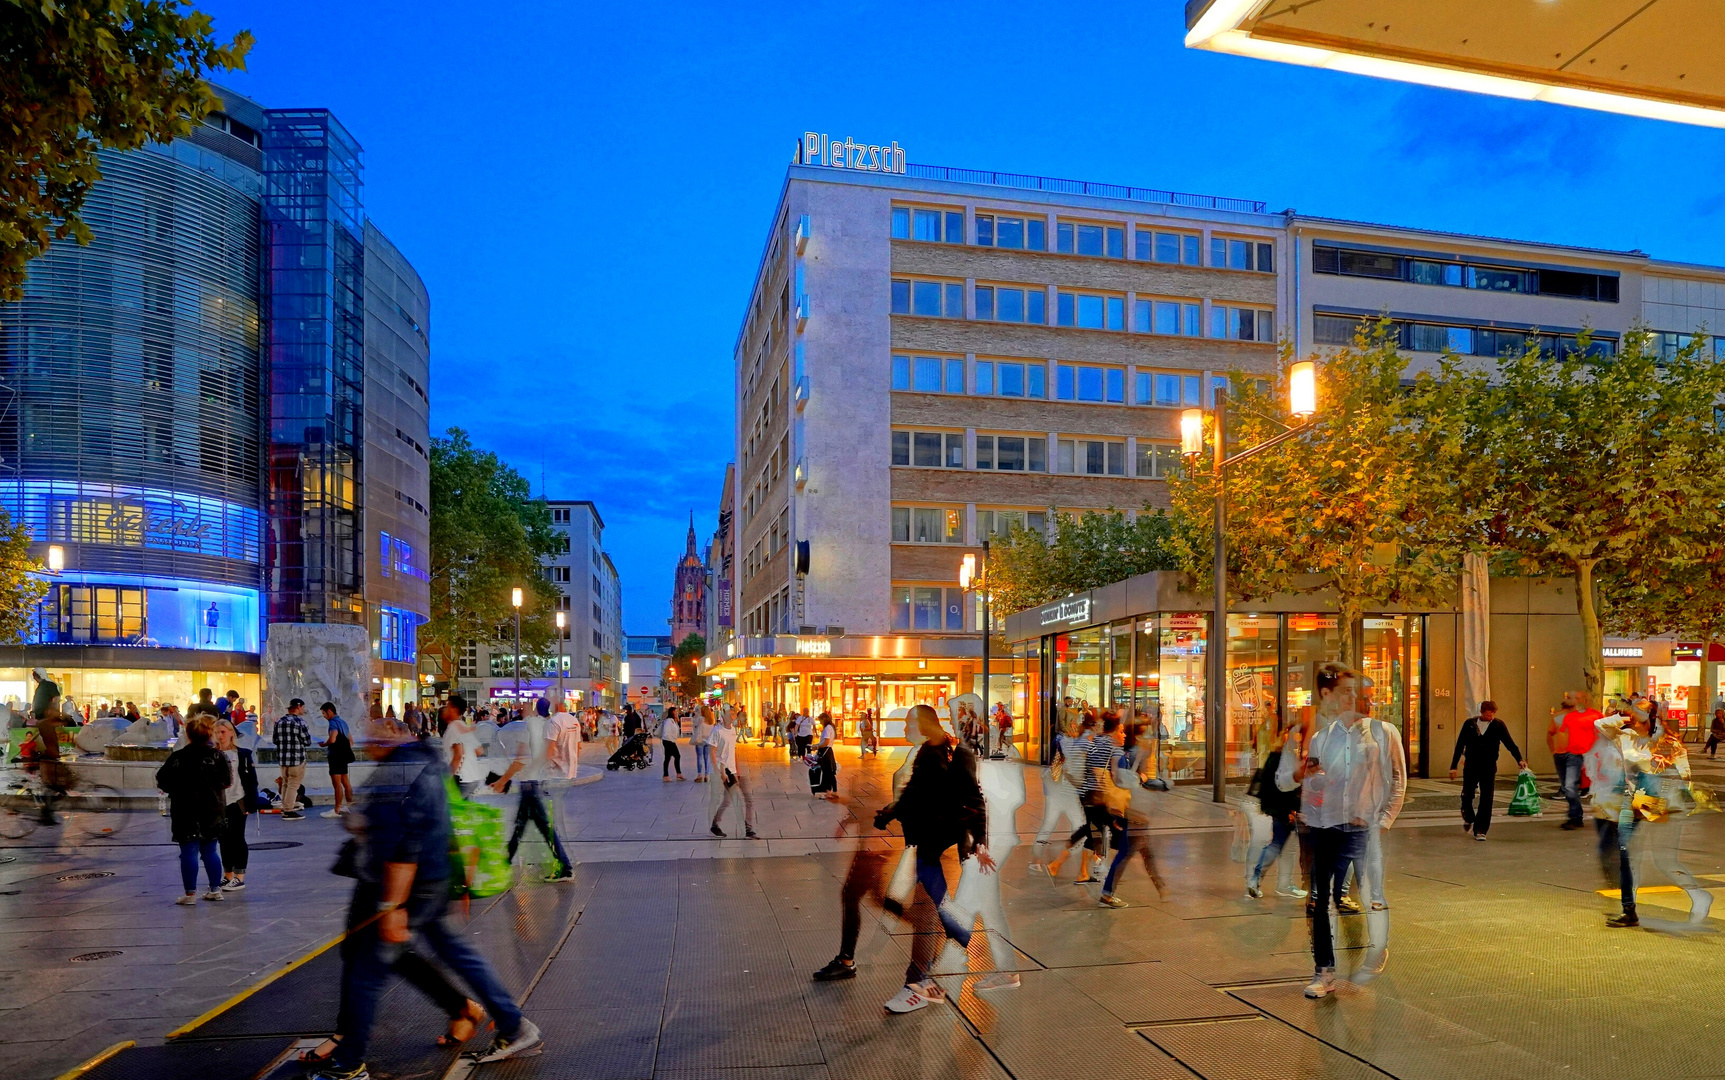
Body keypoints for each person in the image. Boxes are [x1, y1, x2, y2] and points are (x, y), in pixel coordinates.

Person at [305, 715, 542, 1080]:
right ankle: (514, 1025)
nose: (369, 744)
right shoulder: (428, 763)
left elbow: (405, 846)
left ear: (387, 742)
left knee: (366, 970)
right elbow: (441, 823)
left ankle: (349, 1065)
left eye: (374, 739)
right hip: (433, 881)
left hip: (403, 888)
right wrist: (455, 881)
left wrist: (392, 907)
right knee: (458, 953)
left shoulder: (395, 775)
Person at [874, 705, 992, 1013]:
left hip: (934, 839)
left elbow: (971, 796)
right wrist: (891, 812)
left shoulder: (948, 753)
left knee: (927, 909)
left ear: (924, 723)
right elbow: (915, 793)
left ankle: (919, 984)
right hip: (924, 840)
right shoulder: (929, 750)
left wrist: (980, 842)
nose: (903, 729)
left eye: (908, 723)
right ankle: (957, 942)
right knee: (928, 902)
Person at [492, 702, 574, 882]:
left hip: (529, 784)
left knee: (541, 828)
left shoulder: (527, 728)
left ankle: (566, 867)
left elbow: (522, 759)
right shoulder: (540, 726)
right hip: (532, 783)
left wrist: (502, 780)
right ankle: (503, 863)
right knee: (522, 828)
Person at [156, 714, 232, 905]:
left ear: (188, 735)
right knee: (210, 850)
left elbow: (163, 780)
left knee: (189, 851)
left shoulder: (179, 757)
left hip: (185, 809)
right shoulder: (217, 756)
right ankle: (215, 889)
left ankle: (190, 894)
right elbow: (227, 782)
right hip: (212, 809)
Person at [1246, 711, 1306, 900]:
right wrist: (1292, 808)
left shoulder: (1276, 754)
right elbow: (1284, 787)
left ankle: (1266, 881)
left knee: (1282, 845)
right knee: (1279, 844)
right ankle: (1270, 881)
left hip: (1278, 806)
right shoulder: (1286, 757)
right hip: (1283, 807)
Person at [1448, 700, 1527, 840]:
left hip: (1489, 766)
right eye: (1487, 715)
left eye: (1492, 714)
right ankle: (1468, 815)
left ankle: (1481, 829)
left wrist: (1519, 759)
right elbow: (1460, 745)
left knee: (1487, 797)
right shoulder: (1469, 725)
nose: (1490, 717)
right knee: (1467, 794)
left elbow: (1510, 743)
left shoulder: (1498, 725)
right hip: (1471, 765)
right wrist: (1453, 766)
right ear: (1481, 712)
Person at [1028, 718, 1087, 875]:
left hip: (1064, 789)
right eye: (1075, 723)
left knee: (1076, 825)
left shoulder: (1067, 739)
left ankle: (1043, 861)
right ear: (1070, 725)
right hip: (1060, 788)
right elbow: (1069, 754)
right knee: (1070, 825)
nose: (1077, 726)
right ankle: (1043, 860)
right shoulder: (1062, 739)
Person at [212, 719, 258, 891]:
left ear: (231, 733)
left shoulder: (242, 754)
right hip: (219, 802)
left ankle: (240, 876)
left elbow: (251, 780)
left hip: (238, 801)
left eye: (223, 732)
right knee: (223, 839)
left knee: (237, 837)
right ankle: (228, 874)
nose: (220, 735)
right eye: (217, 732)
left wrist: (251, 803)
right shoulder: (213, 754)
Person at [1551, 691, 1601, 830]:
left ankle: (1576, 816)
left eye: (1574, 698)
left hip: (1582, 754)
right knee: (1568, 786)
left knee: (1570, 786)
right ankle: (1575, 816)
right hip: (1569, 753)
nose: (1572, 700)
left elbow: (1602, 733)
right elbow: (1560, 733)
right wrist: (1556, 751)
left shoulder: (1596, 715)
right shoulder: (1568, 717)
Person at [708, 706, 757, 839]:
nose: (732, 716)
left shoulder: (733, 730)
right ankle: (746, 828)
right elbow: (712, 752)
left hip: (733, 770)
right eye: (730, 714)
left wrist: (737, 769)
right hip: (724, 770)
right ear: (723, 716)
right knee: (730, 800)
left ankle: (716, 823)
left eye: (733, 714)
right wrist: (719, 772)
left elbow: (732, 750)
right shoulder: (717, 731)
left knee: (746, 798)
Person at [273, 698, 312, 820]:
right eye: (303, 707)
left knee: (285, 783)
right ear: (299, 707)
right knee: (293, 785)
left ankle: (285, 807)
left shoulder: (279, 721)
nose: (304, 710)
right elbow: (307, 741)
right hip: (296, 759)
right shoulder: (300, 722)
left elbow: (275, 740)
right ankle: (288, 810)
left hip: (283, 759)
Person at [442, 696, 486, 797]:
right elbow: (479, 751)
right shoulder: (463, 726)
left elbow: (459, 754)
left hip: (462, 779)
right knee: (461, 810)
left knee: (450, 809)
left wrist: (448, 779)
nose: (444, 709)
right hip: (473, 777)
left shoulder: (454, 728)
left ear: (454, 710)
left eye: (447, 706)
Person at [321, 702, 355, 818]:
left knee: (336, 783)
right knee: (345, 781)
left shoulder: (333, 723)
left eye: (324, 713)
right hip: (344, 756)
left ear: (329, 711)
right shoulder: (343, 722)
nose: (324, 716)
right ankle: (349, 805)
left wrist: (324, 744)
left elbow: (332, 739)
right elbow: (351, 740)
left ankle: (337, 809)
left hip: (335, 755)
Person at [811, 711, 839, 798]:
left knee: (826, 772)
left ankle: (828, 792)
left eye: (820, 721)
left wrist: (816, 746)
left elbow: (826, 742)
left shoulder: (827, 728)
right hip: (829, 751)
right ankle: (834, 791)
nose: (820, 723)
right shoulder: (831, 727)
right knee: (831, 772)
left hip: (825, 751)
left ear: (824, 719)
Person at [659, 707, 684, 782]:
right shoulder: (668, 721)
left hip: (670, 741)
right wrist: (671, 739)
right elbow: (666, 732)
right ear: (672, 712)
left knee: (669, 757)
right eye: (676, 711)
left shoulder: (673, 721)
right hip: (668, 741)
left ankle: (674, 774)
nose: (677, 713)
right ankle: (668, 775)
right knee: (674, 756)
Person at [691, 706, 714, 782]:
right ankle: (707, 774)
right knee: (707, 758)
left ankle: (700, 774)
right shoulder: (711, 720)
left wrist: (695, 716)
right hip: (708, 740)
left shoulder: (700, 718)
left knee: (699, 757)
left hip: (700, 740)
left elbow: (694, 724)